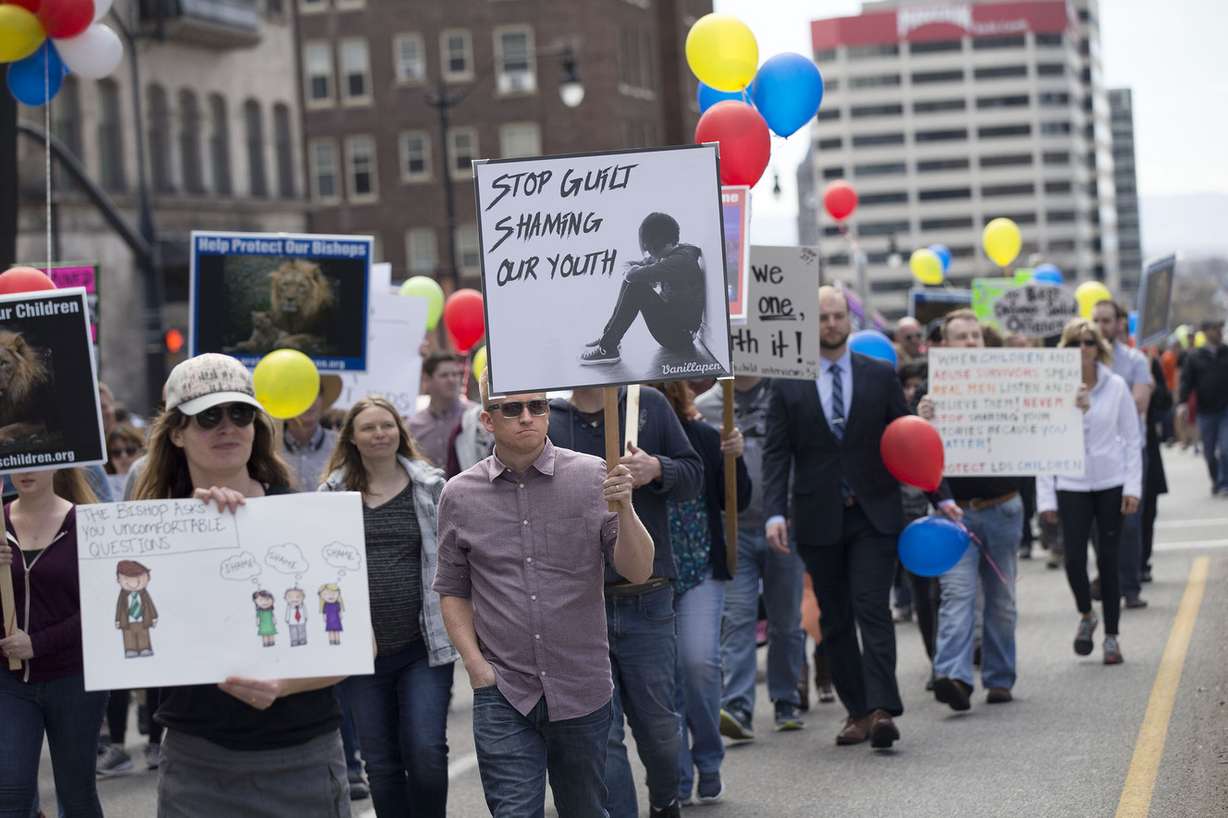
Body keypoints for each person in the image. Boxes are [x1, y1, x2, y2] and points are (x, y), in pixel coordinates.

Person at [131, 353, 350, 817]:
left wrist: (285, 683)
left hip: (302, 758)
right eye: (208, 416)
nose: (227, 427)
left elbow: (358, 641)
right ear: (176, 432)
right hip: (197, 765)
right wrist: (190, 532)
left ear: (257, 425)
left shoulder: (307, 516)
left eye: (240, 413)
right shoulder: (150, 532)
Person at [434, 376, 655, 817]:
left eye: (537, 405)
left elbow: (638, 568)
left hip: (581, 685)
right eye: (512, 409)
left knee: (585, 809)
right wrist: (476, 667)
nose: (527, 417)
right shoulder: (458, 494)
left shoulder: (593, 474)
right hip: (504, 689)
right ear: (487, 420)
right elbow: (452, 588)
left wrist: (626, 508)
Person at [762, 286, 957, 750]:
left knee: (872, 605)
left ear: (849, 320)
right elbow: (776, 453)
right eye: (821, 317)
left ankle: (885, 709)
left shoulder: (878, 374)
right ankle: (859, 711)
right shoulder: (787, 381)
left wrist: (940, 494)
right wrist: (774, 512)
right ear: (809, 323)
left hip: (873, 513)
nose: (830, 324)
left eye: (836, 316)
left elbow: (910, 437)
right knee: (836, 617)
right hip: (817, 516)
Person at [548, 385, 702, 818]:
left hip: (646, 595)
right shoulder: (550, 419)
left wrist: (656, 468)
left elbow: (695, 477)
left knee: (658, 728)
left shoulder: (646, 403)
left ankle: (664, 799)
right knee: (603, 733)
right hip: (581, 602)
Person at [319, 395, 458, 818]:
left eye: (387, 425)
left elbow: (456, 558)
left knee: (427, 753)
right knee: (380, 764)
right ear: (352, 439)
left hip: (424, 645)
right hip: (361, 652)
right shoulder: (331, 494)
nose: (379, 434)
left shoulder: (432, 486)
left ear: (400, 431)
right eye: (368, 428)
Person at [651, 380, 750, 806]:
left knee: (699, 664)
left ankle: (709, 757)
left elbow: (737, 500)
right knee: (665, 680)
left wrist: (736, 460)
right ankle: (678, 772)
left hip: (700, 568)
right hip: (650, 577)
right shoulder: (622, 442)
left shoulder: (704, 435)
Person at [919, 309, 1022, 710]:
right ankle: (954, 677)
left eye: (975, 336)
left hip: (1003, 507)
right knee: (957, 595)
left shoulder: (1010, 383)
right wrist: (920, 419)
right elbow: (914, 451)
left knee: (1001, 598)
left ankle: (999, 678)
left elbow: (1047, 424)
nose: (969, 343)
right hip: (954, 513)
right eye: (960, 336)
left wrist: (1075, 402)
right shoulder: (929, 394)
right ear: (943, 345)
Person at [695, 376, 807, 743]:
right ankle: (739, 704)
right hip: (734, 528)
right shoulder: (706, 405)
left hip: (785, 522)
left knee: (786, 619)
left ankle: (786, 698)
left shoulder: (785, 395)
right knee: (738, 618)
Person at [0, 469, 105, 818]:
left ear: (58, 461)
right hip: (9, 682)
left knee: (76, 795)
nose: (26, 471)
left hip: (74, 679)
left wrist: (38, 643)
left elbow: (101, 607)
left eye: (36, 460)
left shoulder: (86, 523)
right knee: (10, 795)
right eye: (17, 461)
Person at [1038, 319, 1141, 666]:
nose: (1081, 350)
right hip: (1071, 483)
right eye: (1074, 344)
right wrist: (1046, 498)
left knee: (1109, 560)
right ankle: (1086, 614)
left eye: (1088, 343)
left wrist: (1133, 486)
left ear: (1099, 348)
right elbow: (1044, 445)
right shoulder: (1054, 389)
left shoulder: (1116, 386)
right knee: (1074, 559)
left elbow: (1131, 438)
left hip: (1110, 482)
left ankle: (1112, 636)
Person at [579, 212, 706, 366]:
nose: (648, 251)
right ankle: (610, 337)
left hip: (679, 337)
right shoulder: (672, 253)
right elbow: (630, 265)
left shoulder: (679, 261)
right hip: (676, 326)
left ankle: (608, 347)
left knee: (636, 285)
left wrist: (635, 273)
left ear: (656, 242)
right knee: (633, 282)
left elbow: (633, 274)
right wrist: (635, 272)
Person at [1092, 300, 1153, 610]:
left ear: (1119, 324)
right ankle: (1107, 580)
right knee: (1097, 529)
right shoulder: (1082, 361)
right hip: (1094, 458)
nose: (1102, 326)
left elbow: (1138, 402)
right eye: (1096, 320)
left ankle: (1130, 586)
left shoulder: (1135, 360)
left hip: (1127, 452)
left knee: (1128, 524)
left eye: (1107, 320)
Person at [1179, 319, 1228, 494]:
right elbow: (1186, 382)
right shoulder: (1195, 357)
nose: (1219, 332)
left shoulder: (1226, 352)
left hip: (1225, 410)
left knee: (1226, 448)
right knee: (1208, 452)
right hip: (1205, 411)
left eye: (1220, 328)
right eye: (1216, 328)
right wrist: (1182, 403)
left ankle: (1224, 483)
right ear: (1206, 332)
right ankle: (1216, 480)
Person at [409, 353, 472, 470]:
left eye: (455, 374)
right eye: (444, 375)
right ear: (427, 379)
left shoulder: (475, 417)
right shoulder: (413, 426)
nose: (452, 380)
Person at [282, 375, 343, 491]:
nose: (309, 399)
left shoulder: (342, 446)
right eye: (299, 393)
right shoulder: (268, 448)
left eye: (316, 392)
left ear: (322, 399)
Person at [1141, 355, 1171, 583]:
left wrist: (1153, 387)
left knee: (1147, 508)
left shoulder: (1146, 360)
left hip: (1146, 447)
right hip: (1110, 456)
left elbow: (1165, 402)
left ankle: (1142, 563)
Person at [104, 423, 145, 500]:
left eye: (130, 450)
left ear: (141, 452)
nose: (124, 456)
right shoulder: (102, 487)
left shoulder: (151, 481)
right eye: (116, 452)